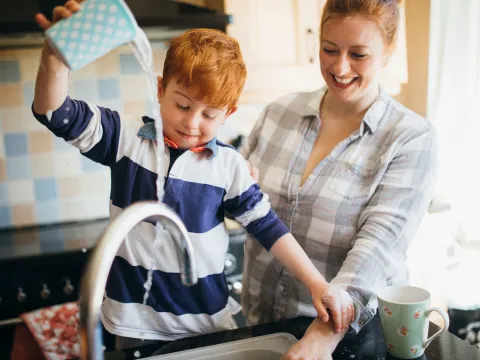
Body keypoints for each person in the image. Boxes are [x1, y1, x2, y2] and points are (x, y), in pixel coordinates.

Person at [31, 0, 355, 350]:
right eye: (182, 105)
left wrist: (317, 284)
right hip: (134, 325)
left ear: (228, 113)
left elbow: (268, 227)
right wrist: (54, 58)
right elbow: (54, 111)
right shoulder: (125, 140)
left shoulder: (228, 165)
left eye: (209, 114)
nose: (191, 122)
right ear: (160, 90)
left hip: (207, 326)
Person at [240, 0, 438, 358]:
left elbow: (376, 248)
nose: (340, 67)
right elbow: (235, 203)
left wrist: (322, 336)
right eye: (329, 50)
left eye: (359, 54)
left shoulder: (410, 138)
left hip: (345, 341)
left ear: (388, 50)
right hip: (258, 329)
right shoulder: (278, 114)